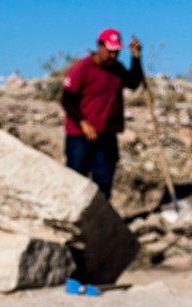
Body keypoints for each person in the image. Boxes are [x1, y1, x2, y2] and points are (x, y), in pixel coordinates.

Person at [60, 28, 143, 198]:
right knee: (75, 178)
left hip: (107, 135)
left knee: (104, 182)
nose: (113, 56)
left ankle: (100, 221)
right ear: (99, 46)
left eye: (116, 52)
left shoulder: (117, 68)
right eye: (110, 51)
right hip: (80, 135)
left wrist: (135, 57)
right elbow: (66, 100)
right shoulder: (82, 68)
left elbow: (133, 83)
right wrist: (83, 122)